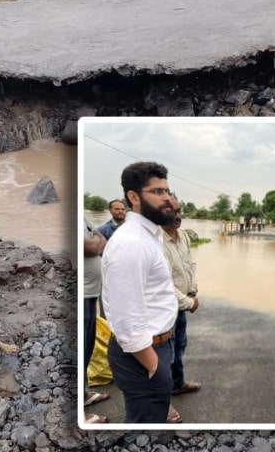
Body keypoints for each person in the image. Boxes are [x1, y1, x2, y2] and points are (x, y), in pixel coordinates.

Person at [100, 161, 180, 424]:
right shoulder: (131, 243)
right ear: (133, 197)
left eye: (167, 191)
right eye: (157, 192)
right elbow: (125, 316)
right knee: (145, 427)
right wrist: (152, 363)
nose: (167, 199)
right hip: (143, 354)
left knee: (151, 419)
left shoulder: (149, 235)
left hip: (156, 346)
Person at [161, 197, 201, 409]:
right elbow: (163, 282)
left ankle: (177, 383)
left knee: (179, 345)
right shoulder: (156, 240)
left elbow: (191, 264)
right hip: (165, 309)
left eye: (179, 211)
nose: (177, 216)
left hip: (182, 305)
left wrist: (192, 291)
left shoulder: (183, 235)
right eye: (172, 212)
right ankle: (162, 402)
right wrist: (188, 302)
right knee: (163, 353)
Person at [82, 215, 109, 423]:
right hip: (80, 295)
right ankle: (79, 414)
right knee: (79, 351)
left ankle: (83, 394)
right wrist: (95, 244)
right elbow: (91, 247)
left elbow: (101, 241)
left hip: (91, 294)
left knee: (88, 347)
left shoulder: (84, 217)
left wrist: (95, 244)